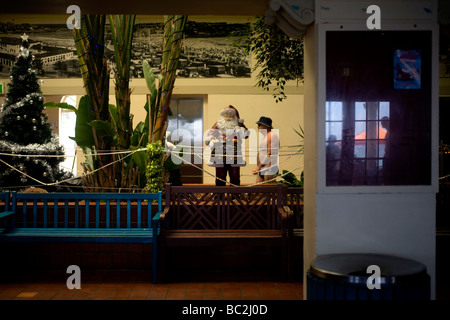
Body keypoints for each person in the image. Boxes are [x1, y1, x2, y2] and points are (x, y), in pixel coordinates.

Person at [206, 105, 249, 186]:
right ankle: (219, 196)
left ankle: (235, 196)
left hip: (234, 153)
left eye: (231, 115)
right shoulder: (218, 124)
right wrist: (211, 138)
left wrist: (242, 125)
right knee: (220, 175)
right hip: (220, 153)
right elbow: (211, 133)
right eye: (226, 115)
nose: (228, 118)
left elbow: (246, 135)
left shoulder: (238, 125)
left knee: (235, 175)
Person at [252, 116, 279, 184]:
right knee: (259, 190)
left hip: (269, 168)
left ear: (265, 126)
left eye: (259, 125)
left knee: (268, 191)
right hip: (262, 168)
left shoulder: (271, 136)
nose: (258, 127)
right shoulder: (266, 137)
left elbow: (269, 154)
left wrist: (258, 167)